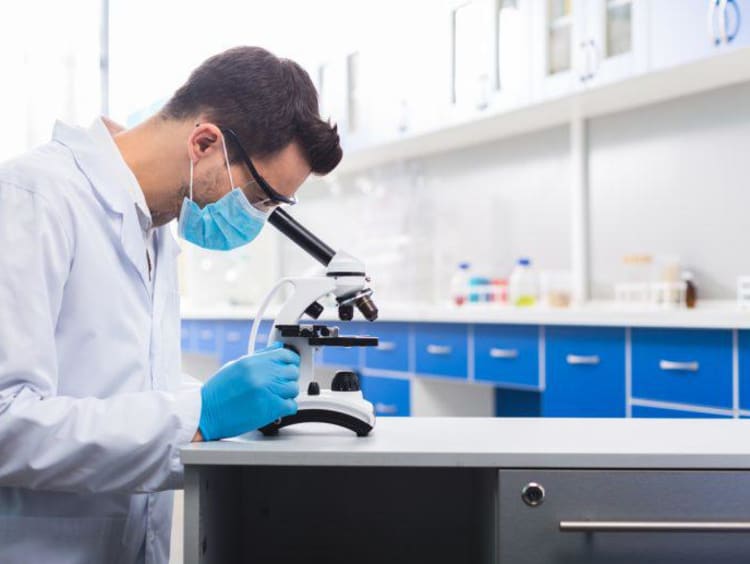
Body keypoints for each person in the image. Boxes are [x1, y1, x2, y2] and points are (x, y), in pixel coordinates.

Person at [0, 46, 342, 563]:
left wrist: (217, 402)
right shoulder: (34, 199)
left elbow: (121, 385)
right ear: (205, 142)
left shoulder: (154, 226)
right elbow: (8, 424)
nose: (254, 219)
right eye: (259, 197)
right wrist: (200, 414)